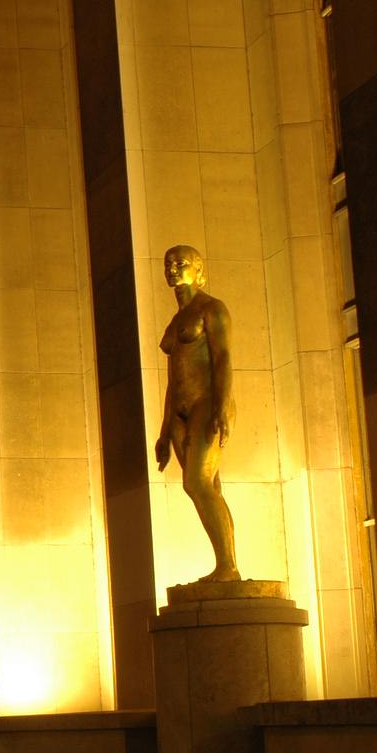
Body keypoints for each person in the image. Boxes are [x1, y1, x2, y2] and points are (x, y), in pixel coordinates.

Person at [154, 245, 240, 582]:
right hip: (179, 409)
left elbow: (223, 359)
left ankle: (228, 567)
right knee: (208, 487)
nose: (172, 269)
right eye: (168, 265)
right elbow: (173, 379)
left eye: (180, 263)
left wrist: (221, 406)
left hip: (208, 402)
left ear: (198, 269)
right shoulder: (176, 321)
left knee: (197, 483)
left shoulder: (212, 309)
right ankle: (226, 563)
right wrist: (164, 430)